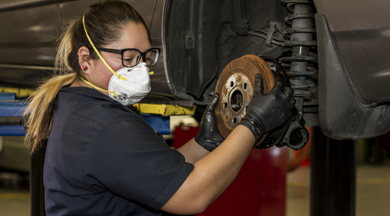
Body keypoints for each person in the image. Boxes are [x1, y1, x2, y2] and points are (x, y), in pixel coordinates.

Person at [24, 0, 295, 215]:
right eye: (128, 58)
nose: (140, 70)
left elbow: (150, 173)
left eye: (145, 57)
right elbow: (192, 196)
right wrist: (253, 126)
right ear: (85, 59)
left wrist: (205, 143)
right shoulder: (104, 126)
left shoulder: (79, 106)